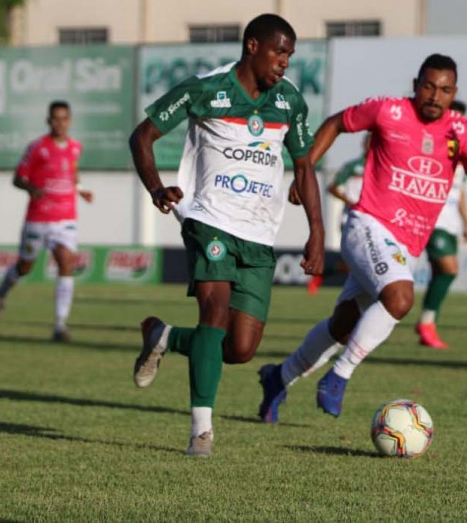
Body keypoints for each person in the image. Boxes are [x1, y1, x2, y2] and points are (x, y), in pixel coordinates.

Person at [259, 54, 467, 424]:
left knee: (344, 324)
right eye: (429, 86)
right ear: (417, 83)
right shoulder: (389, 111)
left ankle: (279, 377)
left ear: (455, 93)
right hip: (368, 225)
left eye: (445, 90)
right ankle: (338, 377)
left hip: (405, 246)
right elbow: (337, 122)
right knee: (400, 297)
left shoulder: (461, 130)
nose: (435, 95)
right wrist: (304, 171)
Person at [126, 14, 325, 457]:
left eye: (290, 56)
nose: (285, 64)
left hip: (258, 231)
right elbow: (142, 137)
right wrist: (158, 188)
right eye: (279, 52)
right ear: (253, 46)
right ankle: (202, 431)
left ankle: (163, 337)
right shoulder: (205, 90)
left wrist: (316, 231)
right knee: (213, 315)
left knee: (239, 349)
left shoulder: (289, 102)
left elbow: (305, 167)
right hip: (207, 218)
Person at [0, 101, 94, 342]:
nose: (60, 123)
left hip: (66, 217)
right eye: (55, 118)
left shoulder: (75, 148)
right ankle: (2, 292)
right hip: (38, 218)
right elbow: (17, 178)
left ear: (70, 121)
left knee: (66, 263)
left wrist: (81, 190)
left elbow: (73, 174)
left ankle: (60, 325)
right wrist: (30, 187)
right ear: (48, 121)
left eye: (64, 118)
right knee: (24, 267)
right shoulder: (37, 148)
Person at [414, 100, 467, 349]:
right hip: (432, 218)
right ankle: (427, 322)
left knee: (441, 272)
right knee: (449, 269)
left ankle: (428, 323)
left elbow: (460, 192)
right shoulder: (430, 143)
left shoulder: (462, 153)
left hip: (450, 222)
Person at [303, 133, 370, 295]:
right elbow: (332, 187)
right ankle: (322, 275)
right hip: (351, 217)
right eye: (369, 141)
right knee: (355, 259)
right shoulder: (353, 166)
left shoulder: (380, 166)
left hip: (372, 219)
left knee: (360, 260)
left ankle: (323, 274)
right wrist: (350, 200)